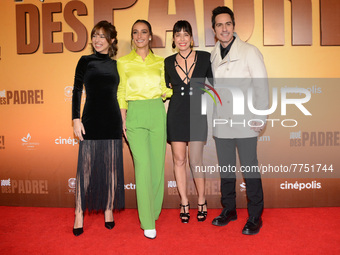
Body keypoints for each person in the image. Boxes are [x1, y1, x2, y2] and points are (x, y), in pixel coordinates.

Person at [210, 6, 269, 235]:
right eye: (219, 25)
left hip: (246, 121)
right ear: (214, 29)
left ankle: (255, 215)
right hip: (221, 122)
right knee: (226, 169)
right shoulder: (212, 55)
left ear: (233, 26)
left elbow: (261, 85)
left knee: (250, 168)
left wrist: (260, 116)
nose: (224, 29)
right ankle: (230, 210)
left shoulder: (249, 51)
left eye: (228, 24)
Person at [117, 19, 172, 239]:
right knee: (142, 167)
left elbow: (165, 89)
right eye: (135, 32)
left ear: (150, 36)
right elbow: (121, 91)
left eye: (144, 32)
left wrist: (167, 92)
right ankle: (147, 221)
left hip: (157, 112)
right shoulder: (123, 62)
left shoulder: (160, 61)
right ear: (132, 36)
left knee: (157, 167)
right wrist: (122, 119)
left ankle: (154, 209)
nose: (139, 36)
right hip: (135, 114)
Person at [72, 20, 124, 236]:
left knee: (111, 168)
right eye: (95, 35)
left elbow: (122, 94)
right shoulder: (85, 61)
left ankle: (109, 209)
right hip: (91, 119)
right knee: (85, 169)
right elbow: (76, 90)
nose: (97, 40)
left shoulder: (117, 65)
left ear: (111, 40)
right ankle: (78, 212)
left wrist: (124, 121)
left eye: (102, 36)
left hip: (112, 119)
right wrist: (75, 119)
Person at [165, 20, 213, 223]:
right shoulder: (167, 62)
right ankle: (184, 201)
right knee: (178, 160)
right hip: (175, 114)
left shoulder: (205, 58)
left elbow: (218, 83)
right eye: (178, 35)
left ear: (192, 38)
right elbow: (165, 88)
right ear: (174, 40)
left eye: (186, 34)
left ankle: (202, 200)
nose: (182, 39)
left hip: (196, 113)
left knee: (195, 160)